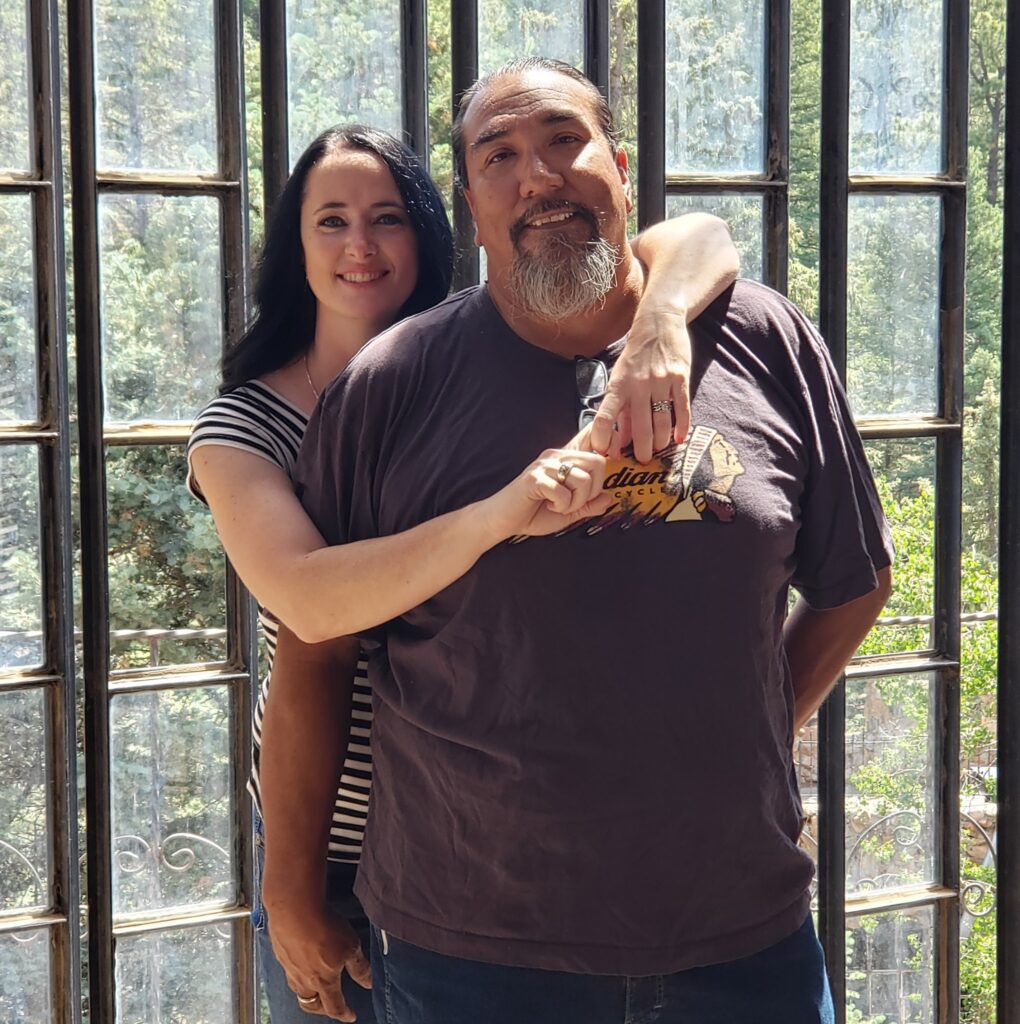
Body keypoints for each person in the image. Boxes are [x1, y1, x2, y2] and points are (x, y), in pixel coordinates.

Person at [270, 58, 895, 1024]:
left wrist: (762, 727)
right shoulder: (391, 387)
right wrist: (289, 893)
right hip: (466, 951)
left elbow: (855, 579)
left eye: (564, 140)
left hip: (743, 936)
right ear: (472, 204)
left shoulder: (763, 339)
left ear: (620, 163)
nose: (538, 176)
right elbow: (315, 655)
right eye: (500, 156)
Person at [186, 121, 740, 1023]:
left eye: (387, 218)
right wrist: (290, 893)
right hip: (336, 837)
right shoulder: (246, 428)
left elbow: (705, 238)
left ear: (436, 233)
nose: (360, 246)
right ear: (295, 245)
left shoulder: (470, 368)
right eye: (331, 221)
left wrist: (660, 326)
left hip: (493, 842)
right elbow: (308, 606)